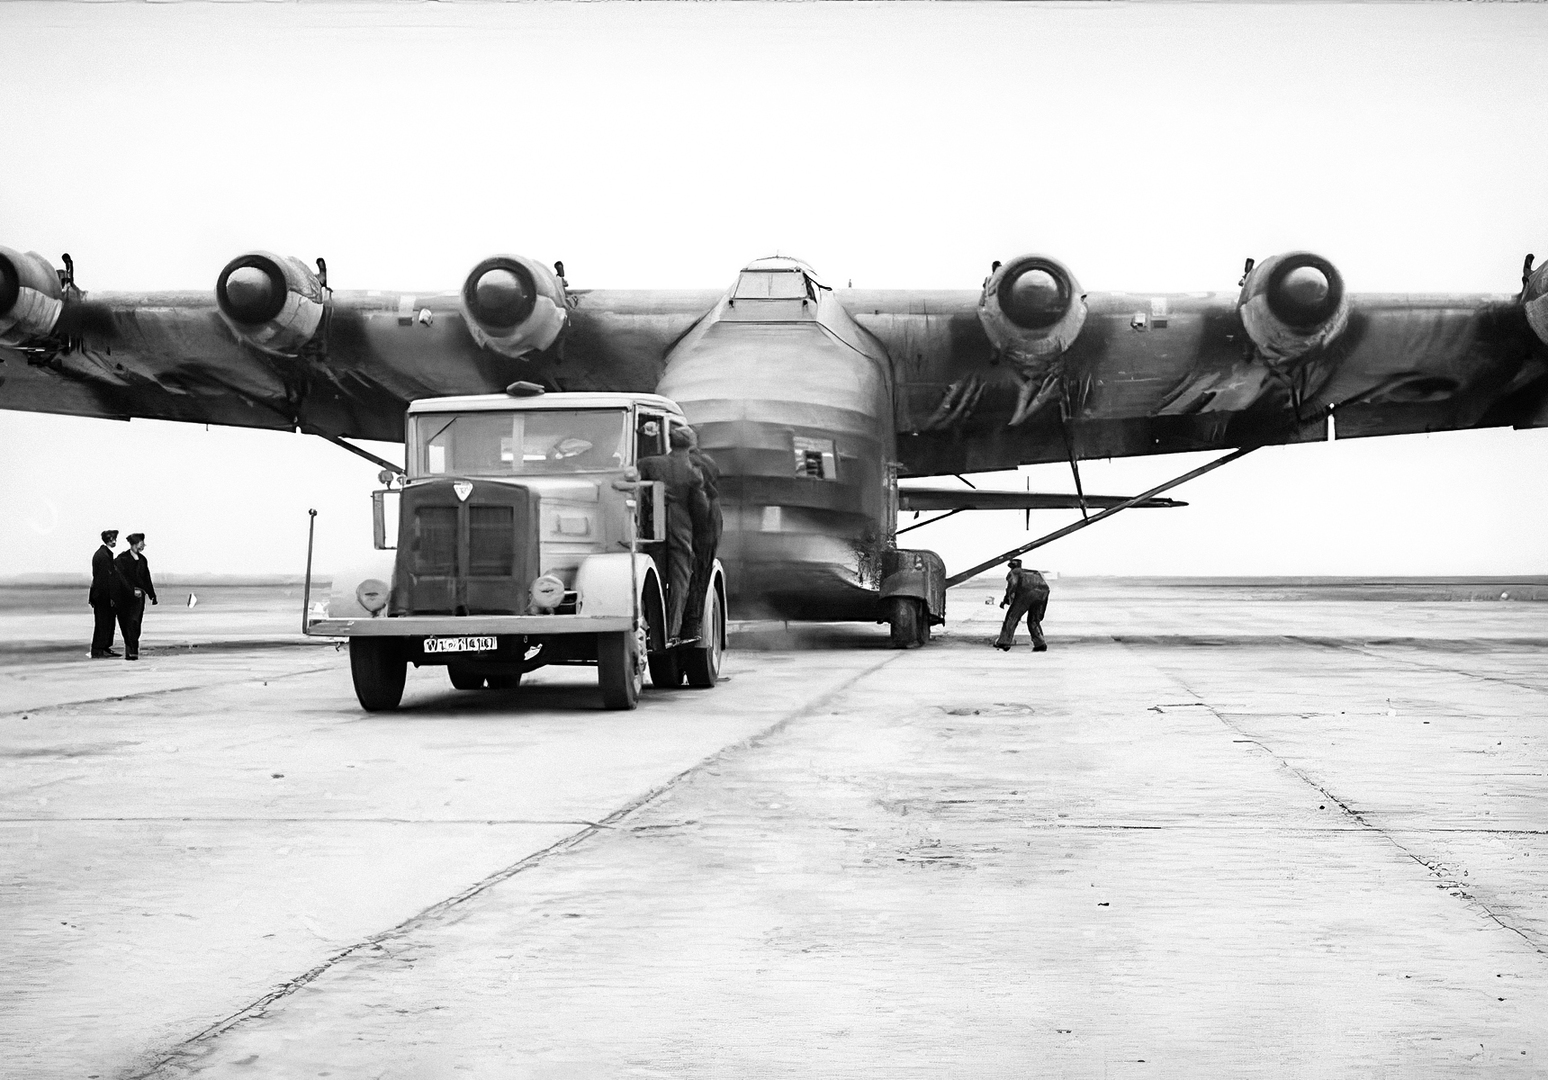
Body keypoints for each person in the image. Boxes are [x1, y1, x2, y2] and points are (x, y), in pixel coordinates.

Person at [638, 425, 703, 640]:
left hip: (653, 526)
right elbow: (701, 509)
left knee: (652, 577)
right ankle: (672, 631)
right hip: (681, 527)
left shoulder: (649, 464)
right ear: (691, 444)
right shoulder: (693, 473)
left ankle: (650, 626)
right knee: (680, 580)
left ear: (670, 440)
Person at [683, 430, 724, 638]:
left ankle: (693, 622)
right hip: (712, 522)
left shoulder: (692, 463)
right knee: (702, 572)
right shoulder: (707, 461)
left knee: (695, 574)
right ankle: (695, 622)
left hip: (702, 524)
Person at [112, 532, 158, 661]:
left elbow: (146, 578)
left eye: (143, 544)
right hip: (124, 598)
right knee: (126, 624)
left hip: (139, 599)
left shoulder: (142, 559)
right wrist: (132, 590)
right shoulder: (121, 559)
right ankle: (131, 650)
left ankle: (133, 650)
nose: (142, 546)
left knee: (136, 623)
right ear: (133, 544)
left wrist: (151, 594)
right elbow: (121, 579)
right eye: (140, 544)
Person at [994, 558, 1049, 652]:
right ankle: (1040, 643)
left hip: (1026, 594)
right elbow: (1045, 587)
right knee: (1033, 620)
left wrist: (1006, 600)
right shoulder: (1034, 573)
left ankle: (1004, 642)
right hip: (1042, 593)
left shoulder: (1014, 572)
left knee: (1012, 618)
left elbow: (1012, 587)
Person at [89, 529, 120, 658]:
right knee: (104, 622)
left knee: (104, 622)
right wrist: (111, 596)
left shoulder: (102, 554)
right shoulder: (104, 556)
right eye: (113, 539)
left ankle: (102, 647)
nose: (115, 541)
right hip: (103, 595)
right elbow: (105, 579)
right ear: (109, 540)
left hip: (99, 594)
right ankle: (100, 648)